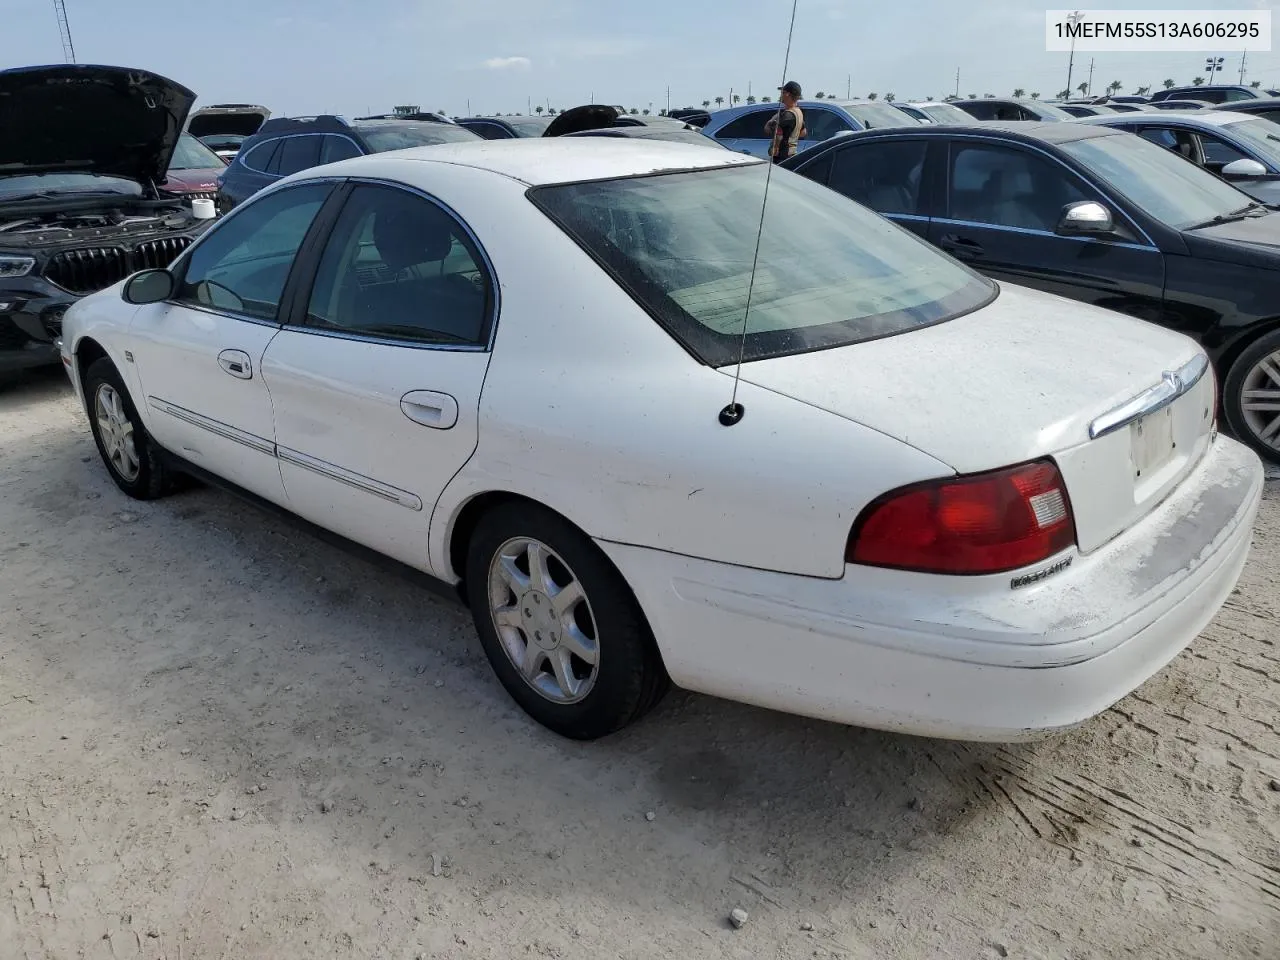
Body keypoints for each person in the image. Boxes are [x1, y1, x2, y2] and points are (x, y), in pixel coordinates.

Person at [765, 81, 806, 164]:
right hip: (792, 154)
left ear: (787, 94)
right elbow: (803, 132)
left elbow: (768, 130)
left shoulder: (787, 115)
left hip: (782, 157)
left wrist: (771, 120)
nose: (781, 95)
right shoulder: (798, 112)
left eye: (782, 93)